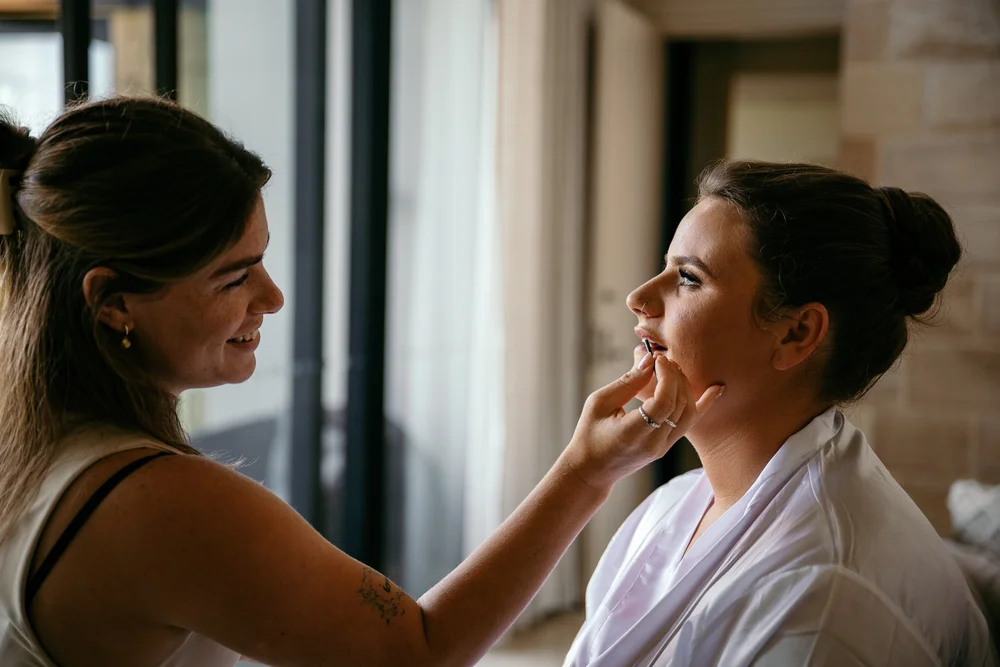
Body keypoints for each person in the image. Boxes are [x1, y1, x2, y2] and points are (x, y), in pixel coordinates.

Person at [0, 96, 724, 667]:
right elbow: (416, 652)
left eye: (262, 260)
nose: (272, 297)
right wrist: (586, 472)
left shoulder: (32, 453)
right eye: (233, 277)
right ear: (113, 302)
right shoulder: (160, 503)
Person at [564, 161, 996, 667]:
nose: (638, 298)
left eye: (688, 277)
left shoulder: (819, 600)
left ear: (796, 333)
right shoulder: (674, 504)